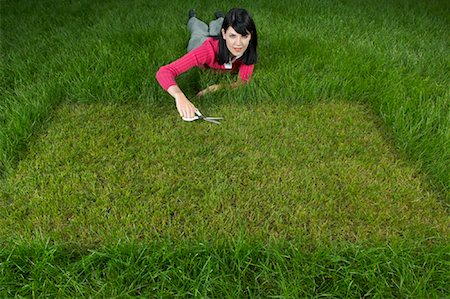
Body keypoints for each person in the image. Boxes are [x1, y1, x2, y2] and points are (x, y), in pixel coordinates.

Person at [156, 8, 258, 120]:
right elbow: (165, 72)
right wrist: (179, 95)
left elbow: (242, 83)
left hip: (220, 40)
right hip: (199, 43)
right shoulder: (206, 51)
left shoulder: (248, 51)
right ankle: (193, 18)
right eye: (232, 36)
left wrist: (218, 87)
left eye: (244, 36)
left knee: (218, 26)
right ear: (224, 34)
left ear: (251, 36)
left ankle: (219, 18)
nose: (238, 44)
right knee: (198, 31)